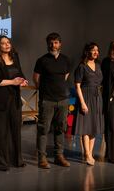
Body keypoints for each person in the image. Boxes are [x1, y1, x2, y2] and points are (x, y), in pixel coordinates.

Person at [0, 35, 28, 171]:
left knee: (15, 130)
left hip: (14, 100)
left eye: (8, 42)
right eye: (3, 43)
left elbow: (20, 73)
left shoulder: (15, 57)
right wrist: (12, 82)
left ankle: (16, 160)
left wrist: (23, 80)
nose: (6, 45)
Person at [33, 32, 72, 169]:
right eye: (50, 42)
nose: (53, 45)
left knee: (60, 129)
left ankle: (58, 156)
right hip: (47, 100)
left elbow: (65, 77)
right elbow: (36, 78)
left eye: (55, 42)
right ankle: (42, 158)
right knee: (43, 130)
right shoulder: (42, 60)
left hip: (62, 100)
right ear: (47, 44)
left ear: (60, 44)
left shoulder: (66, 60)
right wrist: (45, 91)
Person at [74, 42, 104, 166]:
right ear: (88, 52)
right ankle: (87, 154)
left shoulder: (98, 65)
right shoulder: (82, 66)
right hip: (86, 97)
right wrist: (82, 103)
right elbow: (77, 86)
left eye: (97, 50)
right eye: (93, 50)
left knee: (93, 128)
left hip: (97, 97)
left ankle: (90, 153)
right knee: (86, 128)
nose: (96, 52)